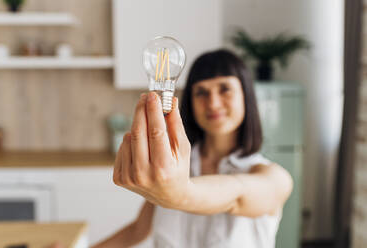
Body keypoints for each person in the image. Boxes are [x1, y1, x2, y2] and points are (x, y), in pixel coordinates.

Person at [92, 49, 293, 248]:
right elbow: (138, 231)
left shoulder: (272, 177)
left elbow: (237, 196)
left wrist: (179, 194)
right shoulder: (171, 168)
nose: (213, 103)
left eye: (224, 89)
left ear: (246, 96)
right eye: (201, 93)